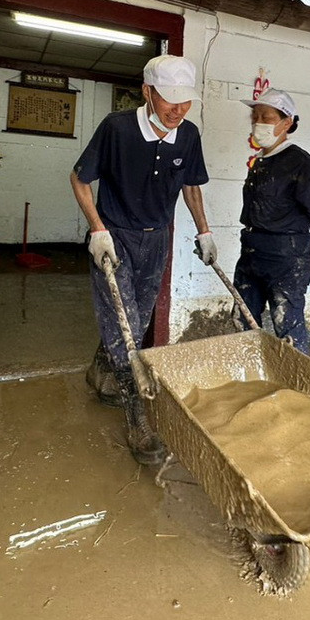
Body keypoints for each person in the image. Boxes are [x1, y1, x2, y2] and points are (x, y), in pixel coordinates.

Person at [70, 55, 214, 465]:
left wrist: (204, 231)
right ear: (147, 92)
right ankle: (138, 423)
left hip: (157, 242)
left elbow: (190, 187)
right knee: (128, 333)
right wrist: (97, 229)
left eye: (186, 102)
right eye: (170, 100)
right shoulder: (116, 128)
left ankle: (100, 370)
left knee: (136, 320)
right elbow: (80, 179)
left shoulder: (187, 135)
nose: (178, 110)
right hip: (113, 239)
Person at [233, 88, 310, 353]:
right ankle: (250, 384)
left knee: (286, 327)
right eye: (255, 116)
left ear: (286, 123)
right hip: (252, 251)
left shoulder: (301, 164)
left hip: (287, 257)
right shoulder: (260, 162)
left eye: (266, 117)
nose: (258, 122)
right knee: (242, 322)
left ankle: (298, 389)